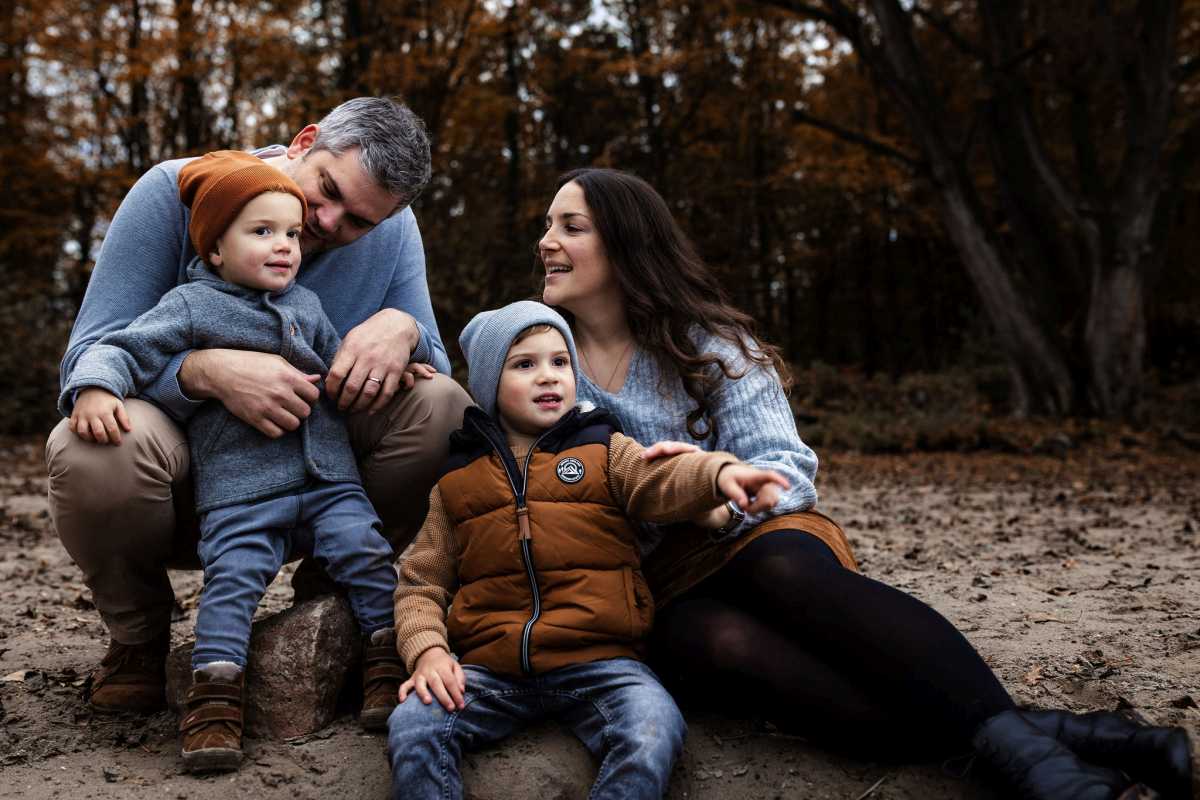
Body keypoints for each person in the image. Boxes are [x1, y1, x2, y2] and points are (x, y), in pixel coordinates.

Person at [534, 167, 1193, 800]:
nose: (547, 241)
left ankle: (1053, 776)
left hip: (753, 541)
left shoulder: (704, 343)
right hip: (656, 587)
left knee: (781, 565)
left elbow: (787, 471)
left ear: (624, 244)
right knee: (712, 643)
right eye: (547, 225)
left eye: (571, 226)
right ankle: (1087, 740)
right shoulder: (540, 360)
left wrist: (726, 500)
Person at [44, 97, 472, 716]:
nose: (327, 223)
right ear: (303, 141)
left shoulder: (392, 231)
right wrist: (202, 371)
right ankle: (137, 639)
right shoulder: (177, 191)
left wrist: (402, 325)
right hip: (187, 473)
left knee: (442, 406)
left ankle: (336, 605)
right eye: (325, 190)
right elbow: (88, 354)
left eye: (357, 221)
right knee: (92, 446)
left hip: (321, 478)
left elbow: (433, 357)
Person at [386, 301, 791, 800]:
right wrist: (427, 651)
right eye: (525, 365)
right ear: (490, 382)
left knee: (653, 726)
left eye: (560, 362)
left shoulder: (605, 449)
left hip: (604, 661)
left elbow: (661, 478)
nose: (548, 377)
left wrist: (720, 475)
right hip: (488, 668)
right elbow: (420, 582)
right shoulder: (456, 481)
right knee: (413, 725)